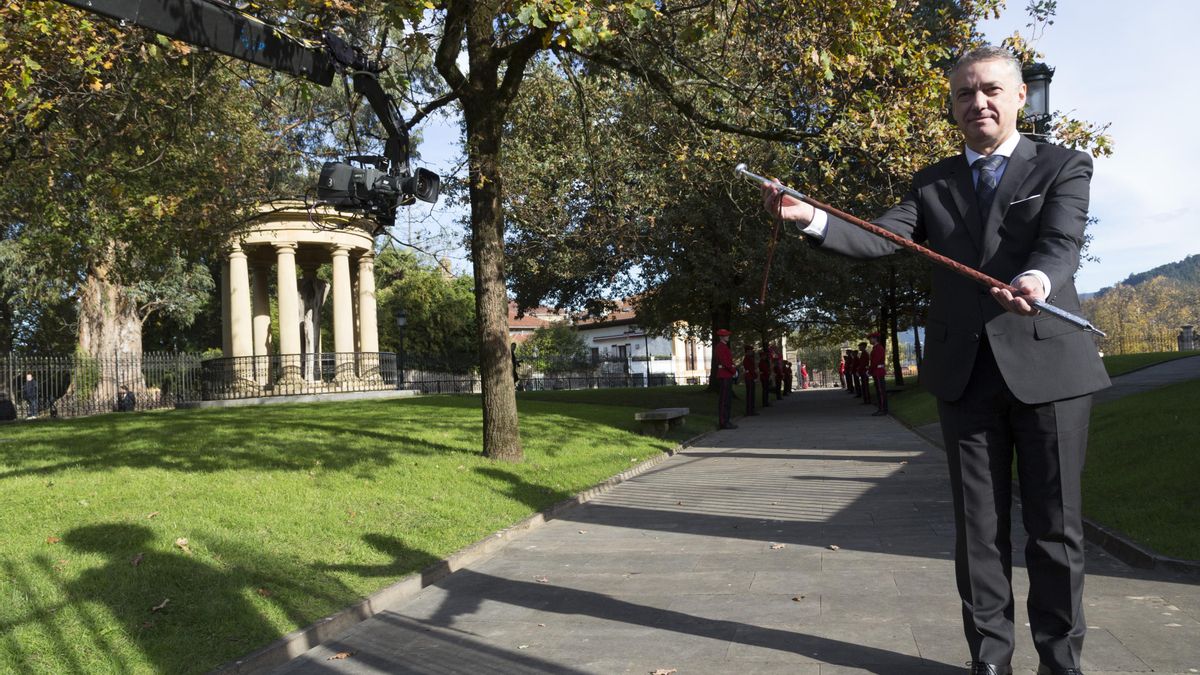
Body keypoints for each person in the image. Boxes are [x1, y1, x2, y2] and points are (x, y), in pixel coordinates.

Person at [764, 45, 1108, 675]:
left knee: (1056, 529)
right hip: (963, 376)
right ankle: (990, 662)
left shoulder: (1064, 164)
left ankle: (1061, 663)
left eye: (991, 90)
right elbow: (880, 236)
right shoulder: (932, 183)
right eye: (964, 93)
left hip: (1050, 372)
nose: (978, 102)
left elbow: (1061, 242)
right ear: (952, 106)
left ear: (1019, 97)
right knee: (978, 531)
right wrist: (809, 216)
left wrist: (1035, 281)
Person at [713, 329, 737, 429]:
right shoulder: (720, 347)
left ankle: (726, 420)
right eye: (726, 335)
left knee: (727, 399)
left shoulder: (724, 346)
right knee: (724, 400)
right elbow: (725, 362)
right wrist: (733, 370)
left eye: (727, 335)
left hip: (727, 374)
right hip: (724, 374)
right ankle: (723, 422)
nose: (728, 337)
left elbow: (728, 361)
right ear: (722, 337)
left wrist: (733, 369)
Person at [868, 332, 888, 416]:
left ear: (875, 339)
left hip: (878, 371)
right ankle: (881, 408)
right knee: (879, 391)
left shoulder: (878, 348)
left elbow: (875, 361)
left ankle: (883, 409)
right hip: (877, 371)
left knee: (880, 392)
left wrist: (869, 371)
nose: (870, 340)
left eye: (871, 338)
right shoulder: (876, 348)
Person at [741, 344, 758, 416]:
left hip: (751, 377)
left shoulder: (750, 358)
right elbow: (750, 369)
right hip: (749, 377)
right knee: (750, 394)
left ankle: (751, 409)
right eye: (750, 351)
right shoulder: (747, 359)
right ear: (747, 352)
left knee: (752, 394)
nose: (751, 352)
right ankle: (749, 410)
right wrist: (755, 376)